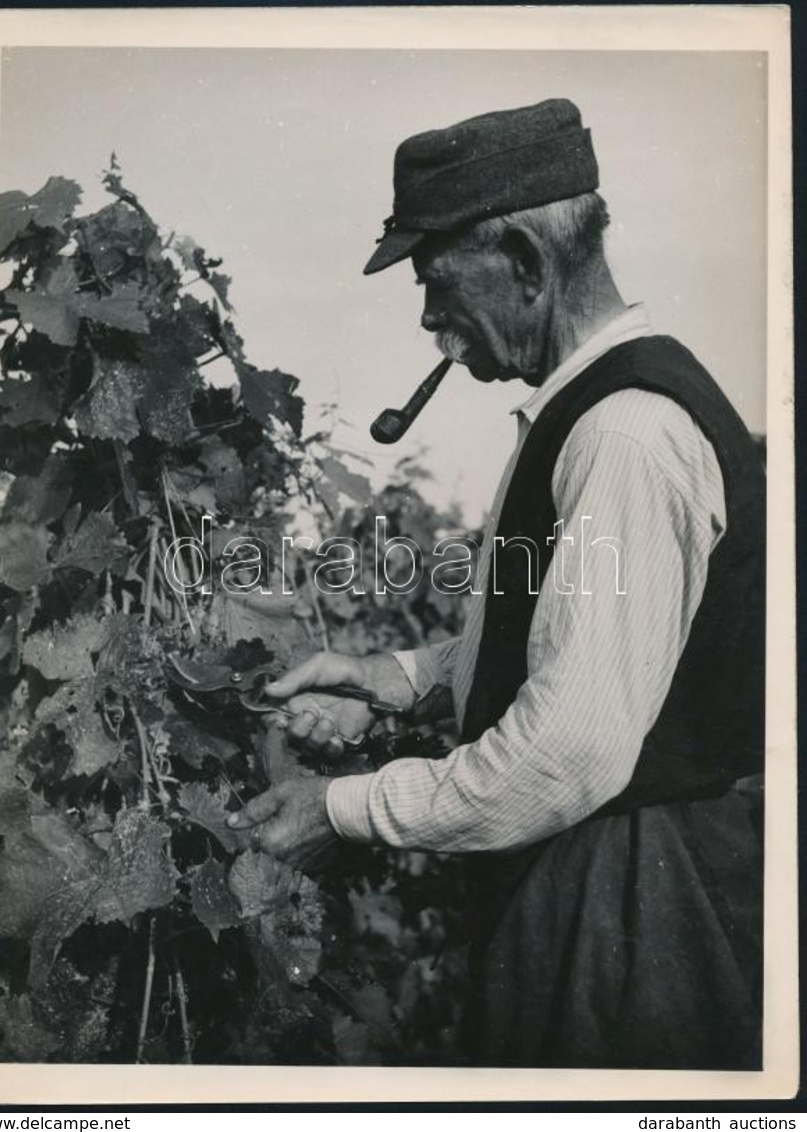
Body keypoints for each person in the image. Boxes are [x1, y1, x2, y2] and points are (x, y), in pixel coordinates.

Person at [227, 99, 765, 1069]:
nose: (431, 321)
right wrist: (392, 675)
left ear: (524, 260)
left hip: (638, 906)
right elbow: (579, 640)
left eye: (435, 284)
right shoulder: (590, 415)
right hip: (596, 881)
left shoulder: (627, 434)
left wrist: (343, 810)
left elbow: (569, 749)